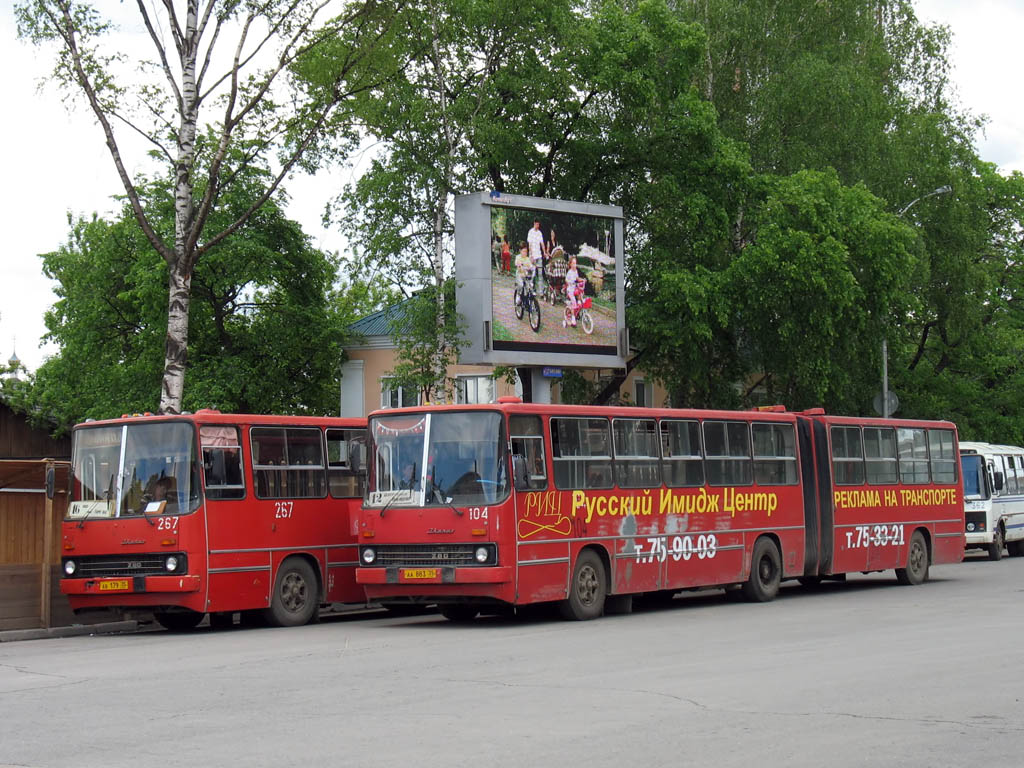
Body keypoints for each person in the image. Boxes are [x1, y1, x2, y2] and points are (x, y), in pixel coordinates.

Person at [563, 256, 582, 327]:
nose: (575, 265)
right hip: (570, 290)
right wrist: (570, 282)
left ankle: (579, 304)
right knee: (573, 302)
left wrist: (582, 280)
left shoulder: (576, 271)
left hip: (574, 289)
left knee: (580, 293)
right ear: (570, 264)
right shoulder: (569, 272)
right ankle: (573, 319)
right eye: (573, 263)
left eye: (575, 263)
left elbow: (577, 278)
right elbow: (566, 280)